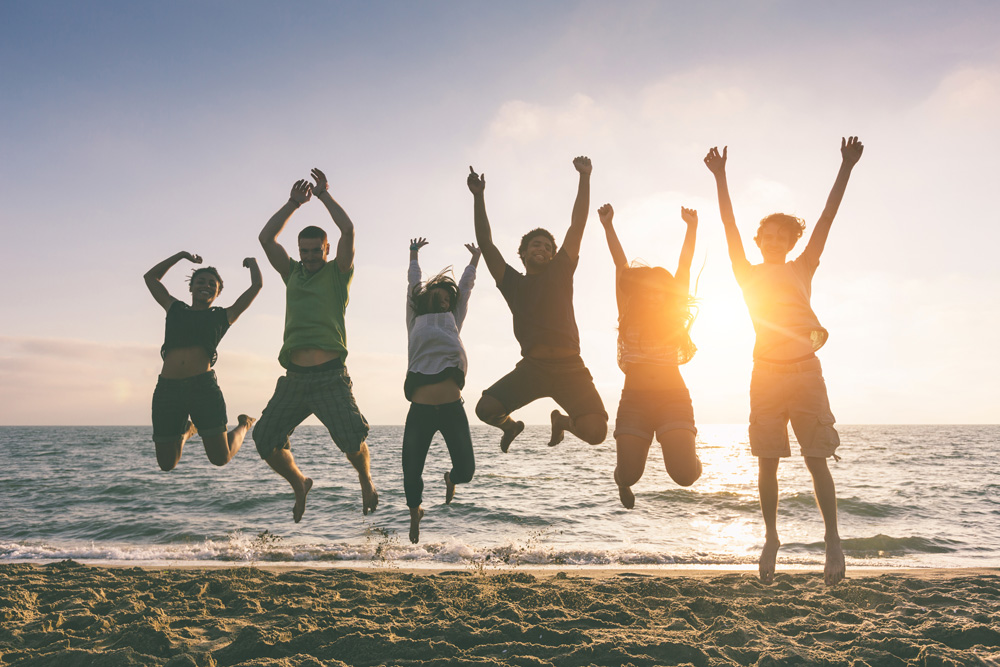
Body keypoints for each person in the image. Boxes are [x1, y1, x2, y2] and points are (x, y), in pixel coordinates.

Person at [704, 137, 864, 586]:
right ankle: (771, 536)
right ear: (759, 242)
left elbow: (828, 218)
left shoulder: (803, 266)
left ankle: (833, 539)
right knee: (767, 462)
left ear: (792, 241)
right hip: (766, 376)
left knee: (817, 460)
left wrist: (845, 167)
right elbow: (728, 225)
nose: (775, 242)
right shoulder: (746, 272)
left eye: (783, 237)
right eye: (768, 237)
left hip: (806, 374)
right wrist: (720, 177)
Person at [253, 168, 377, 523]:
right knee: (265, 439)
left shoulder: (338, 274)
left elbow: (348, 230)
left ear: (326, 249)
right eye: (303, 251)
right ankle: (300, 482)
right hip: (293, 378)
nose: (308, 256)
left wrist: (323, 196)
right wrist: (294, 203)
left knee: (352, 440)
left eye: (314, 250)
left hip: (329, 377)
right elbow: (265, 238)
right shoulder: (291, 273)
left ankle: (365, 479)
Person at [467, 157, 608, 453]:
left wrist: (585, 177)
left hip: (571, 367)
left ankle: (563, 422)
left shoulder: (561, 271)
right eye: (535, 245)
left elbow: (578, 224)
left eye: (547, 246)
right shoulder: (512, 282)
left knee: (596, 433)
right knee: (485, 408)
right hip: (533, 367)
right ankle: (510, 426)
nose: (542, 249)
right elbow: (486, 243)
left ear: (555, 255)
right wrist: (479, 197)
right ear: (523, 254)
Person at [597, 203, 703, 509]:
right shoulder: (628, 312)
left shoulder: (673, 317)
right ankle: (622, 483)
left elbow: (685, 266)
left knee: (684, 476)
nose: (656, 294)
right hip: (635, 402)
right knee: (629, 474)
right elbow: (620, 266)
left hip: (674, 399)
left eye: (662, 290)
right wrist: (608, 226)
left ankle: (692, 456)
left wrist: (691, 228)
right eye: (650, 289)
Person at [144, 251, 262, 471]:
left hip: (203, 389)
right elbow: (150, 278)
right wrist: (180, 256)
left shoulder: (223, 316)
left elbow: (256, 287)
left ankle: (245, 424)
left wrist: (253, 263)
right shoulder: (175, 308)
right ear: (191, 287)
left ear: (218, 292)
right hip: (168, 390)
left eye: (211, 284)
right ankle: (188, 430)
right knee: (167, 464)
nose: (205, 286)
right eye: (200, 282)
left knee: (220, 458)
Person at [403, 237, 480, 543]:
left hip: (451, 408)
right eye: (439, 298)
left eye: (449, 300)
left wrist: (475, 260)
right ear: (427, 297)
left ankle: (451, 479)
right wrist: (413, 255)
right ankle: (415, 513)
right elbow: (412, 285)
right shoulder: (415, 319)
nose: (445, 302)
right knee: (411, 471)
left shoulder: (452, 320)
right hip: (420, 410)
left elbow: (466, 289)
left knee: (467, 470)